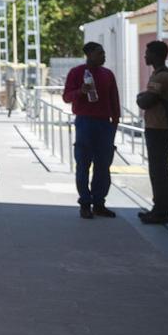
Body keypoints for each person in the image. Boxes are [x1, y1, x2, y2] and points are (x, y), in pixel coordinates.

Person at [63, 42, 121, 219]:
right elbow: (66, 97)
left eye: (103, 53)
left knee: (103, 165)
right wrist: (80, 91)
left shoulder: (108, 74)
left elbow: (114, 100)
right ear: (89, 55)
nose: (104, 57)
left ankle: (99, 202)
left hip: (105, 124)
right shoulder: (76, 73)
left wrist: (115, 122)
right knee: (83, 164)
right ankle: (85, 203)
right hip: (85, 123)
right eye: (100, 53)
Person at [136, 40, 168, 224]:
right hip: (160, 127)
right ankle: (161, 208)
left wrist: (139, 97)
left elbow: (146, 101)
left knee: (159, 170)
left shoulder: (160, 77)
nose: (145, 56)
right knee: (161, 169)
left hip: (159, 128)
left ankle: (162, 211)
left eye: (147, 53)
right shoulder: (162, 74)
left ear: (156, 56)